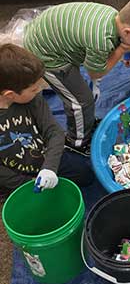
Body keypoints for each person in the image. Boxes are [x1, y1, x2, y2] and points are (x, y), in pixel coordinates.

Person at [23, 0, 130, 156]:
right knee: (80, 102)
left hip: (50, 35)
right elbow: (95, 72)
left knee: (81, 92)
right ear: (127, 32)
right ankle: (76, 141)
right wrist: (120, 51)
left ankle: (86, 124)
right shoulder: (101, 41)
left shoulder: (113, 15)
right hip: (47, 55)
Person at [0, 44, 94, 197]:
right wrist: (25, 183)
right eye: (33, 89)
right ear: (10, 94)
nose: (39, 90)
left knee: (85, 174)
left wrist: (49, 167)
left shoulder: (32, 99)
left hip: (43, 157)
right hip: (15, 176)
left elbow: (54, 131)